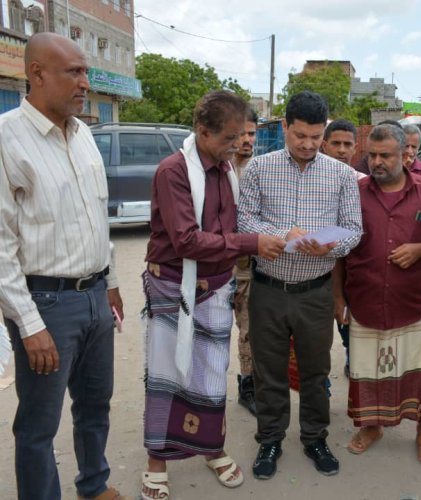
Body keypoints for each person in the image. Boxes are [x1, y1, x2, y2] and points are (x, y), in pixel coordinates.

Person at [140, 91, 286, 500]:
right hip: (174, 287)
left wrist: (272, 234)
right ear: (202, 132)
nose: (239, 144)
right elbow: (187, 241)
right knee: (166, 378)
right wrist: (251, 243)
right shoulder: (174, 172)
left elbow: (231, 227)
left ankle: (212, 450)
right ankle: (156, 462)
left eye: (242, 135)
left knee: (210, 378)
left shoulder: (225, 170)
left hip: (216, 288)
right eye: (230, 137)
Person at [0, 32, 126, 500]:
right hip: (46, 303)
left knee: (95, 405)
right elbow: (1, 247)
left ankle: (93, 485)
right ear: (37, 74)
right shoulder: (7, 139)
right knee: (38, 424)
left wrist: (109, 281)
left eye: (86, 71)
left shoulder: (84, 135)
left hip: (94, 296)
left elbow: (96, 216)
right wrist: (29, 324)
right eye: (73, 71)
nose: (85, 82)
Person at [238, 90, 362, 480]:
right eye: (300, 136)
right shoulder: (259, 168)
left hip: (315, 291)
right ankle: (270, 439)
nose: (308, 145)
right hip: (269, 289)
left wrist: (329, 244)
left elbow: (354, 230)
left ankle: (314, 437)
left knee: (315, 370)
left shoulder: (341, 175)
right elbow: (244, 221)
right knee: (269, 370)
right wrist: (281, 233)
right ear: (285, 127)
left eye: (315, 136)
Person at [334, 124, 421, 464]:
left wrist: (420, 249)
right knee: (364, 369)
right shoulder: (354, 193)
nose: (376, 162)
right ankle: (371, 426)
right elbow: (341, 249)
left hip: (411, 302)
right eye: (371, 155)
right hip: (364, 300)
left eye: (385, 155)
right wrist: (338, 299)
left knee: (418, 370)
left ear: (405, 154)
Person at [321, 118, 362, 379]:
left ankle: (353, 364)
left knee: (353, 337)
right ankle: (320, 393)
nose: (342, 150)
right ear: (324, 145)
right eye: (336, 143)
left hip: (352, 276)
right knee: (316, 344)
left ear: (356, 148)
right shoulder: (312, 180)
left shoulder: (364, 184)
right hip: (314, 274)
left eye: (348, 144)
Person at [233, 107, 260, 415]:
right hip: (215, 270)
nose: (246, 140)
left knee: (249, 333)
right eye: (240, 134)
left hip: (249, 269)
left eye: (251, 134)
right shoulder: (212, 169)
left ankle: (248, 386)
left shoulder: (262, 170)